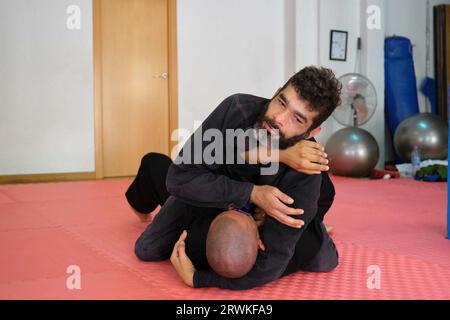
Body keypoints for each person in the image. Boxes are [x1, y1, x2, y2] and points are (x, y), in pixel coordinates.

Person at [127, 66, 341, 290]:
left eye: (297, 118)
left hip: (280, 207)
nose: (278, 118)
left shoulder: (307, 169)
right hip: (220, 192)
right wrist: (255, 191)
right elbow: (180, 178)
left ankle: (313, 227)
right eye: (281, 102)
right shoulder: (237, 109)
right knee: (148, 249)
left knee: (319, 258)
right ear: (277, 91)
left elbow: (275, 259)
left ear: (311, 132)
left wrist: (200, 279)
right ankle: (152, 165)